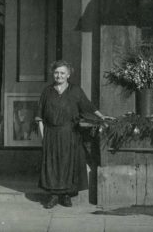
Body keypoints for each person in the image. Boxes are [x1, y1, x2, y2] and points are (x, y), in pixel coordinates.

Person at [35, 60, 113, 209]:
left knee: (67, 164)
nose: (59, 75)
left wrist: (102, 117)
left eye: (62, 73)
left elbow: (87, 106)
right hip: (51, 134)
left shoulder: (75, 90)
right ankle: (53, 196)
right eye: (57, 72)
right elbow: (40, 117)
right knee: (52, 165)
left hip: (70, 133)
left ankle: (66, 196)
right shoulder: (47, 91)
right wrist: (43, 138)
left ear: (68, 75)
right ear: (53, 73)